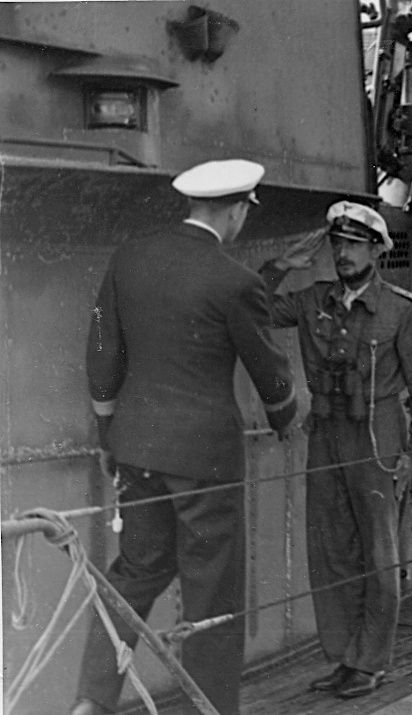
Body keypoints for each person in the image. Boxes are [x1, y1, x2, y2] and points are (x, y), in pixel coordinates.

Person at [73, 160, 299, 715]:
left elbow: (103, 357)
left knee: (137, 569)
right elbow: (270, 376)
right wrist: (285, 418)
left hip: (135, 448)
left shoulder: (130, 259)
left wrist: (108, 433)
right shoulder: (235, 281)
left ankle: (91, 702)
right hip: (205, 461)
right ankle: (210, 710)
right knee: (212, 590)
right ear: (236, 208)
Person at [259, 201, 412, 699]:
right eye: (338, 244)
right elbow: (252, 309)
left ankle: (370, 661)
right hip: (326, 431)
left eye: (355, 244)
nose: (343, 253)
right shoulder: (312, 299)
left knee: (378, 552)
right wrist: (279, 267)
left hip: (379, 433)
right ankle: (345, 656)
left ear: (377, 250)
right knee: (332, 547)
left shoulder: (402, 310)